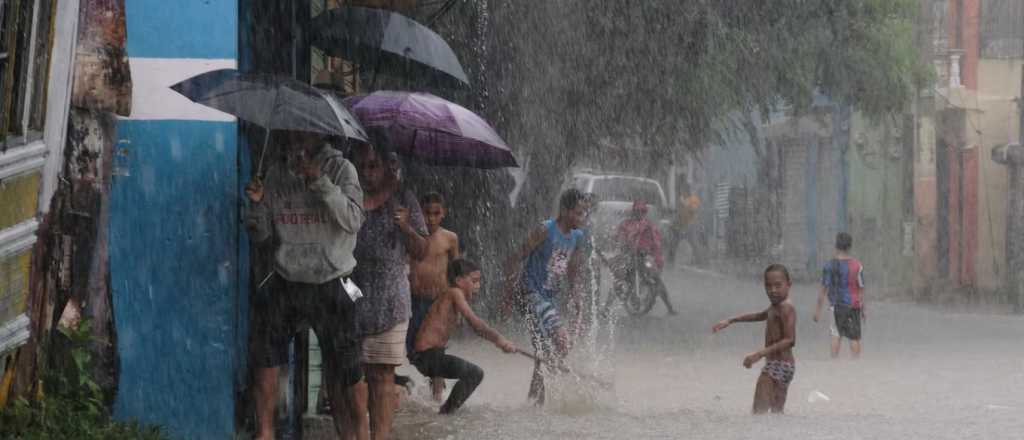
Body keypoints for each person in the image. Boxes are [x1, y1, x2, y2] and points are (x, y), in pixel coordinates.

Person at [244, 130, 368, 440]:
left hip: (334, 280)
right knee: (265, 354)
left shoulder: (342, 169)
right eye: (293, 132)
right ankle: (265, 433)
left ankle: (359, 435)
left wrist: (320, 181)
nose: (297, 138)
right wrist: (256, 206)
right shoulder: (275, 172)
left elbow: (353, 220)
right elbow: (260, 235)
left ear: (318, 134)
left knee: (345, 369)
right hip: (288, 279)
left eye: (304, 132)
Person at [350, 141, 428, 440]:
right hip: (352, 292)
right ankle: (358, 434)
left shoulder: (404, 199)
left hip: (391, 299)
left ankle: (379, 436)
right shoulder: (350, 194)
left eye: (374, 166)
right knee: (354, 375)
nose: (368, 173)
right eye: (363, 166)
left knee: (382, 375)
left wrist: (406, 227)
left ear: (387, 167)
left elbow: (421, 251)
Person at [504, 188, 585, 405]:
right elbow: (516, 257)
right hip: (530, 293)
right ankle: (542, 390)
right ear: (565, 211)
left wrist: (576, 298)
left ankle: (534, 401)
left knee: (543, 349)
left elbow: (573, 272)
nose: (582, 218)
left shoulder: (577, 237)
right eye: (578, 213)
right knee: (560, 341)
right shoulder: (545, 230)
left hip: (549, 299)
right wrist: (508, 296)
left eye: (583, 213)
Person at [411, 258, 518, 414]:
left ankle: (443, 408)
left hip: (430, 355)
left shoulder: (450, 296)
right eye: (474, 281)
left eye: (479, 281)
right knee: (475, 373)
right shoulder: (455, 293)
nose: (478, 286)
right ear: (459, 280)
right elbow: (476, 325)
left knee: (466, 372)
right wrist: (500, 340)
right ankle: (446, 413)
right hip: (427, 356)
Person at [712, 264, 797, 414]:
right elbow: (759, 316)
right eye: (768, 286)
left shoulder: (786, 308)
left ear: (789, 285)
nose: (773, 290)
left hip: (777, 365)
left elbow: (790, 340)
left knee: (759, 412)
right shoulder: (775, 306)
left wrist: (759, 354)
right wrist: (731, 320)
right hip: (785, 367)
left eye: (778, 285)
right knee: (776, 414)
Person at [407, 191, 460, 401]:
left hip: (439, 301)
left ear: (443, 213)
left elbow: (457, 271)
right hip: (414, 299)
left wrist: (458, 304)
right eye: (427, 213)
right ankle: (432, 377)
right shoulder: (412, 236)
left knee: (437, 349)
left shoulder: (450, 238)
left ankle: (437, 396)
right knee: (413, 352)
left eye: (436, 213)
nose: (431, 219)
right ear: (419, 213)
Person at [607, 200, 676, 315]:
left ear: (645, 212)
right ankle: (606, 308)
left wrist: (654, 255)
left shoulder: (649, 226)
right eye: (637, 210)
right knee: (620, 278)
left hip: (643, 256)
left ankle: (669, 307)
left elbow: (656, 242)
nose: (639, 213)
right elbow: (617, 237)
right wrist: (621, 244)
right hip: (629, 256)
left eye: (642, 211)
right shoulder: (625, 224)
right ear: (633, 211)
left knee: (657, 279)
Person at [814, 232, 866, 359]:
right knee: (854, 336)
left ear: (836, 246)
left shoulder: (829, 266)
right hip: (854, 305)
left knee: (836, 334)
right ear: (850, 247)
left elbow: (823, 290)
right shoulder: (857, 265)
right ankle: (856, 365)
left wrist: (817, 311)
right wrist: (863, 308)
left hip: (836, 306)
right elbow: (861, 289)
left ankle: (834, 365)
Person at [668, 181, 702, 266]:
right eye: (682, 190)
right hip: (679, 225)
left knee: (694, 244)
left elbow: (694, 210)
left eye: (684, 190)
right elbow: (678, 212)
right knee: (674, 243)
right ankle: (670, 260)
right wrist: (674, 223)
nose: (682, 191)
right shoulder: (681, 198)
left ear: (688, 190)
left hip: (689, 225)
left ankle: (699, 261)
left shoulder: (694, 199)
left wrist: (685, 203)